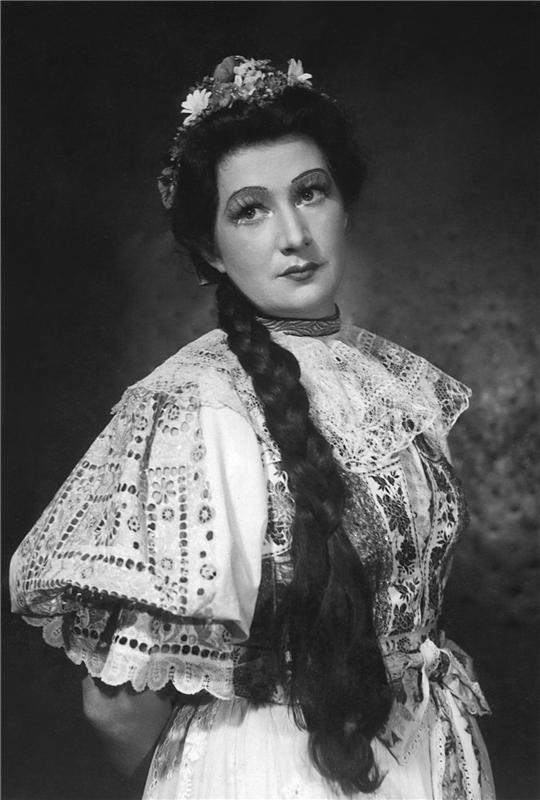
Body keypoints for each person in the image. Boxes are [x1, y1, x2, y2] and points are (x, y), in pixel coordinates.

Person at [10, 55, 495, 799]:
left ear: (343, 204)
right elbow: (117, 704)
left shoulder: (395, 382)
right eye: (250, 210)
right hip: (274, 771)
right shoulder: (198, 406)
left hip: (425, 761)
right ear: (210, 247)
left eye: (310, 192)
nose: (293, 234)